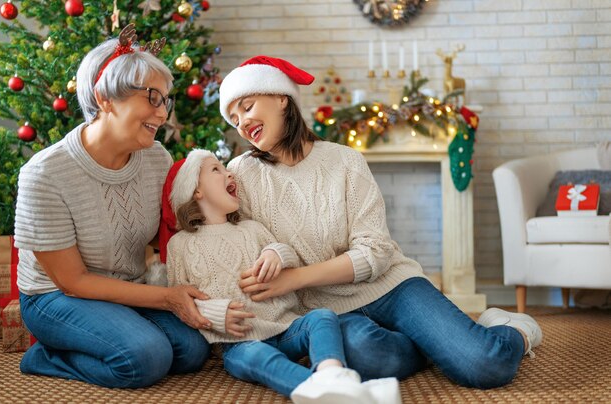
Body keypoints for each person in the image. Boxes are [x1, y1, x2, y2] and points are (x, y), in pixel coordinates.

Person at [218, 55, 543, 389]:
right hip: (330, 310)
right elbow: (234, 238)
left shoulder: (344, 160)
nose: (241, 122)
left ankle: (514, 330)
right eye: (233, 117)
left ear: (281, 98)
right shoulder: (240, 174)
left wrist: (295, 279)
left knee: (484, 364)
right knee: (366, 356)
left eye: (247, 106)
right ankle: (439, 342)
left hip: (392, 287)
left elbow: (375, 251)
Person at [13, 24, 212, 388]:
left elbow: (163, 236)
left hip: (125, 285)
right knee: (145, 358)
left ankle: (114, 334)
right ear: (104, 98)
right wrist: (167, 298)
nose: (162, 114)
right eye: (152, 97)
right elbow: (72, 282)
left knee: (192, 350)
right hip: (55, 297)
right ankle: (45, 355)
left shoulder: (156, 158)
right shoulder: (44, 174)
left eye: (165, 100)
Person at [161, 149, 401, 403]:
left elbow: (284, 251)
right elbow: (182, 302)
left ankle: (333, 374)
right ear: (196, 190)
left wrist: (276, 255)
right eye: (215, 170)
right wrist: (214, 314)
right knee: (255, 357)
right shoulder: (180, 245)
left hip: (285, 328)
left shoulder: (251, 229)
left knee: (322, 317)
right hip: (238, 344)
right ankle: (323, 390)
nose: (228, 172)